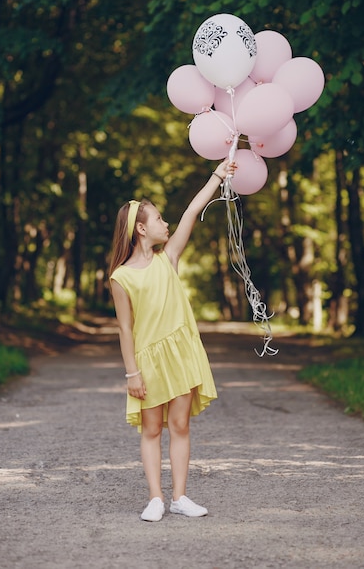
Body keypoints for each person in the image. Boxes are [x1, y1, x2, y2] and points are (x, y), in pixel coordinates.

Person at [108, 159, 236, 522]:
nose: (166, 224)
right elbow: (126, 329)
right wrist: (132, 373)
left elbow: (194, 210)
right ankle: (156, 498)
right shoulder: (121, 277)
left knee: (180, 426)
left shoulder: (170, 258)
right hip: (148, 362)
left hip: (180, 355)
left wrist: (218, 175)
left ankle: (179, 496)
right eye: (160, 219)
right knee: (151, 430)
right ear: (141, 229)